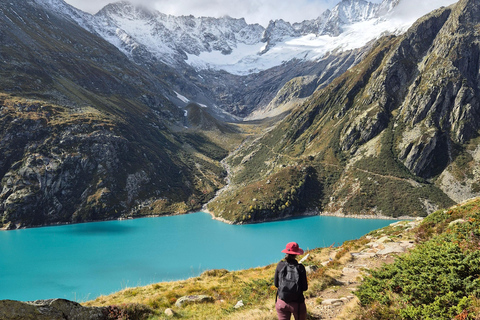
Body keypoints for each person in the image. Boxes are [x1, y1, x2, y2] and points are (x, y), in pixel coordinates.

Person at [274, 242, 308, 320]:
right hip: (298, 304)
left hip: (281, 302)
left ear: (286, 252)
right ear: (296, 254)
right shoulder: (300, 268)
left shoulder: (280, 265)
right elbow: (305, 288)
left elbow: (276, 284)